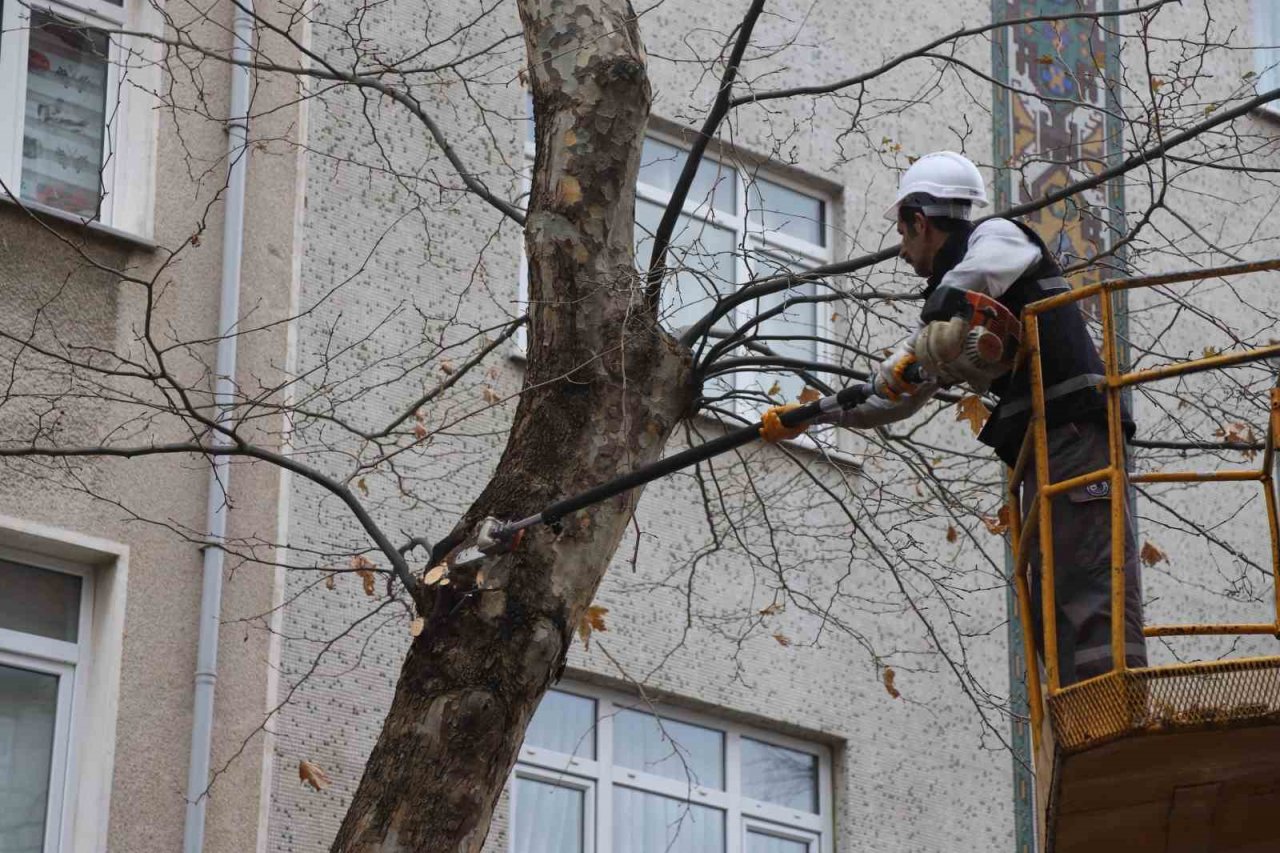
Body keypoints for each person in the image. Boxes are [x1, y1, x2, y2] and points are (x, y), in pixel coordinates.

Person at [762, 151, 1146, 687]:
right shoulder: (957, 308)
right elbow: (892, 396)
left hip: (1078, 433)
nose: (902, 251)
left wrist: (934, 326)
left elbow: (976, 281)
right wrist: (811, 415)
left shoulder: (999, 238)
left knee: (1087, 579)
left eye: (903, 232)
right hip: (1045, 447)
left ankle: (1113, 709)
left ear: (920, 220)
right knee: (1052, 593)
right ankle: (1075, 709)